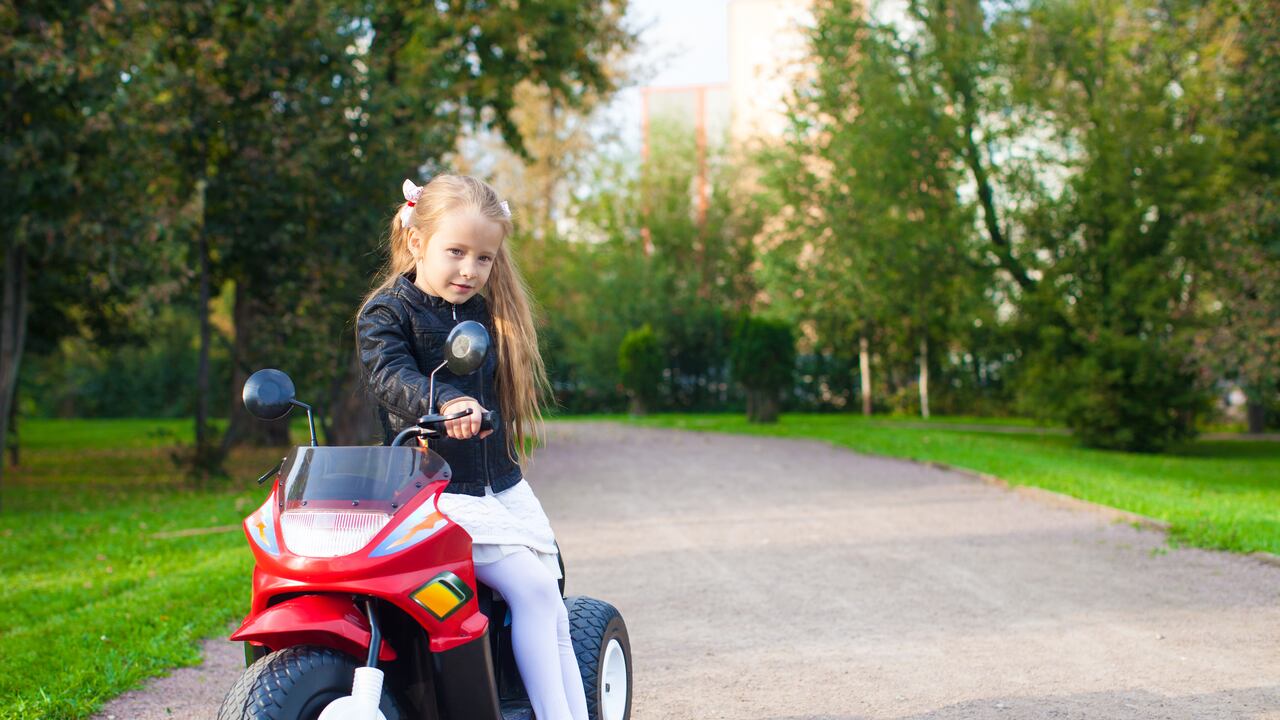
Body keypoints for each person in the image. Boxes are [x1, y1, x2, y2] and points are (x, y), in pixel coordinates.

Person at [356, 175, 588, 720]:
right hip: (431, 486)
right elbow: (392, 376)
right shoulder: (386, 313)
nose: (470, 270)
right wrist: (447, 402)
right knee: (532, 589)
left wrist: (482, 415)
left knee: (550, 598)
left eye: (483, 258)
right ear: (417, 242)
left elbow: (490, 398)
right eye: (456, 252)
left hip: (496, 483)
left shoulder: (479, 312)